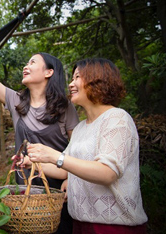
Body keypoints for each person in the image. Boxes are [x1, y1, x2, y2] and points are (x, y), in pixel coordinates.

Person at [0, 21, 79, 234]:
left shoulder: (66, 108)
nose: (25, 66)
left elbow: (78, 150)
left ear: (49, 72)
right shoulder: (16, 101)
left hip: (58, 196)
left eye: (32, 62)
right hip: (23, 197)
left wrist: (72, 179)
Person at [26, 58, 148, 233]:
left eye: (77, 77)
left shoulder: (117, 119)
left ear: (97, 80)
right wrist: (32, 162)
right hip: (81, 222)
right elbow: (64, 169)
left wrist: (55, 156)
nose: (70, 84)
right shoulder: (81, 128)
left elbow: (107, 173)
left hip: (113, 226)